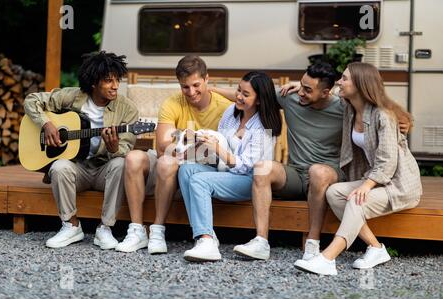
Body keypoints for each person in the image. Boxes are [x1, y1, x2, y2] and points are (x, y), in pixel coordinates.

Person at [219, 63, 409, 261]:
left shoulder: (344, 107)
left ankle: (313, 243)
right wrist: (210, 89)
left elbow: (381, 107)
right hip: (296, 173)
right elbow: (252, 94)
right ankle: (260, 242)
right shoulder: (290, 97)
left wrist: (404, 121)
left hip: (330, 173)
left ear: (326, 92)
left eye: (308, 90)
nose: (301, 92)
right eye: (301, 85)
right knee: (262, 168)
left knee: (318, 172)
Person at [294, 62, 422, 275]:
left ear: (361, 84)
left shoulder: (383, 115)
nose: (339, 82)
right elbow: (322, 93)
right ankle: (376, 247)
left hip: (398, 183)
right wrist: (293, 86)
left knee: (356, 198)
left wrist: (366, 185)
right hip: (377, 179)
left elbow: (388, 160)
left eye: (344, 78)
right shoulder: (350, 108)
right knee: (334, 193)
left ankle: (327, 258)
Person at [23, 51, 139, 249]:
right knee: (59, 167)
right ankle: (71, 226)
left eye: (117, 80)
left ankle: (105, 229)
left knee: (121, 163)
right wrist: (46, 125)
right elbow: (31, 100)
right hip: (79, 169)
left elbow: (125, 148)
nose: (115, 86)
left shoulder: (127, 109)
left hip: (105, 169)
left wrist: (114, 147)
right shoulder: (73, 96)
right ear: (94, 83)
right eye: (108, 81)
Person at [116, 55, 231, 253]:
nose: (191, 92)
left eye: (196, 85)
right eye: (185, 87)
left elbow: (221, 150)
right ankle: (137, 230)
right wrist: (190, 148)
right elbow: (162, 148)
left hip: (197, 166)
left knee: (168, 163)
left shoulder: (224, 107)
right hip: (173, 160)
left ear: (207, 80)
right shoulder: (173, 102)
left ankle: (158, 230)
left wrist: (182, 150)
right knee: (134, 158)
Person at [178, 71, 282, 262]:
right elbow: (222, 144)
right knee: (186, 170)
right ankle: (205, 237)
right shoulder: (231, 113)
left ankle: (207, 240)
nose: (239, 97)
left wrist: (216, 148)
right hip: (226, 171)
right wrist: (201, 143)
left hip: (250, 179)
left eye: (246, 94)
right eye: (238, 90)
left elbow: (245, 167)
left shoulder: (263, 127)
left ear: (259, 100)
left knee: (200, 181)